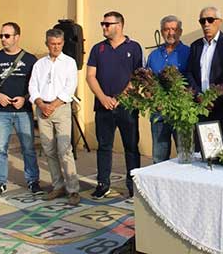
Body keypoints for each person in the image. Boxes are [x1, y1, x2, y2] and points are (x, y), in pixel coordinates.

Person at [86, 11, 142, 200]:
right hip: (103, 107)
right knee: (104, 146)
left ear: (119, 25)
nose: (103, 27)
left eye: (107, 24)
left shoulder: (134, 47)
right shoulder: (98, 48)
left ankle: (133, 185)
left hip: (127, 107)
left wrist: (121, 97)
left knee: (131, 147)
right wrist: (103, 97)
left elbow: (137, 76)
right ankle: (103, 184)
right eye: (102, 23)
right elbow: (90, 76)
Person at [0, 22, 42, 198]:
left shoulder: (30, 59)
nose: (3, 39)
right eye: (1, 36)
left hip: (24, 111)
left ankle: (33, 181)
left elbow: (37, 85)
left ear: (17, 37)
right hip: (1, 112)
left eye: (7, 36)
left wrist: (25, 98)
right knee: (0, 149)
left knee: (28, 148)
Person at [28, 29, 80, 205]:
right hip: (42, 109)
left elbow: (70, 87)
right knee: (49, 150)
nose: (56, 47)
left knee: (64, 149)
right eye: (53, 44)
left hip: (61, 108)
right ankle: (58, 186)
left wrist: (53, 105)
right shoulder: (39, 64)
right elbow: (33, 86)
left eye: (59, 44)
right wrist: (41, 104)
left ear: (63, 43)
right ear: (47, 44)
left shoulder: (69, 63)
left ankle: (73, 189)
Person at [186, 6, 223, 148]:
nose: (206, 24)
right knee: (204, 151)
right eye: (202, 21)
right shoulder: (195, 46)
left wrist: (212, 98)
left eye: (210, 20)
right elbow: (189, 73)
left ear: (219, 21)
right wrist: (199, 96)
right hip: (201, 108)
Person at [146, 15, 190, 163]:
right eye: (166, 29)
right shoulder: (153, 55)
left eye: (174, 29)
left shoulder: (189, 53)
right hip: (159, 113)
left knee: (185, 157)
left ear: (180, 31)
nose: (170, 33)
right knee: (159, 157)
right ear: (161, 32)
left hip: (181, 112)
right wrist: (152, 98)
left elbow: (193, 81)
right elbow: (147, 82)